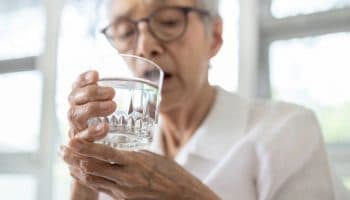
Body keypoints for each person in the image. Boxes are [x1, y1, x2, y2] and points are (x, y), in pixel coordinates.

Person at [61, 0, 350, 199]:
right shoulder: (122, 143)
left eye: (170, 21)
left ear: (215, 37)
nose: (145, 46)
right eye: (125, 32)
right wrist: (84, 173)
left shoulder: (288, 132)